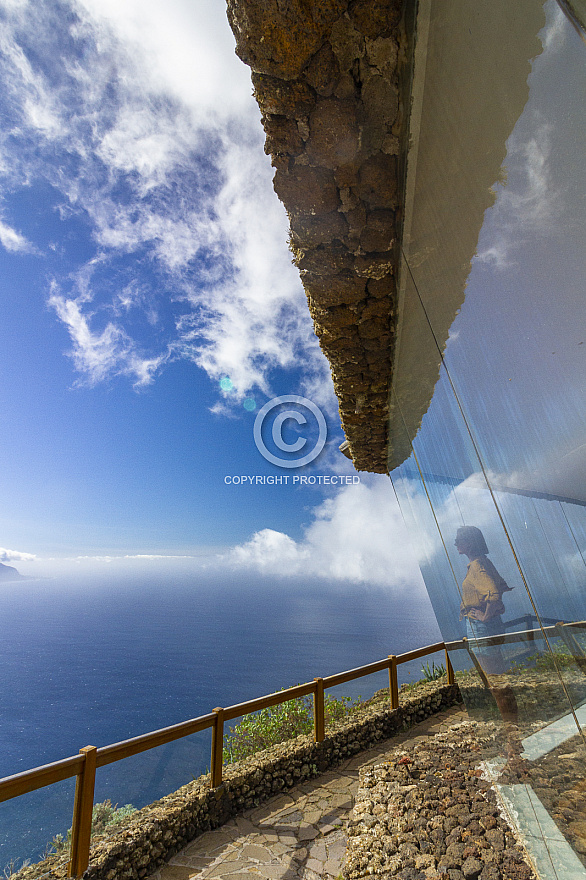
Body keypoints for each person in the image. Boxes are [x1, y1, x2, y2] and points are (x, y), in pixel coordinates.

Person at [456, 525, 520, 753]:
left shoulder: (477, 565)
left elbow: (493, 591)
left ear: (469, 543)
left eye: (459, 541)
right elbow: (500, 588)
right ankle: (512, 729)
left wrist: (484, 615)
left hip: (482, 630)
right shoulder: (483, 562)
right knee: (498, 680)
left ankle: (513, 735)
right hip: (489, 628)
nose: (455, 545)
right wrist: (491, 612)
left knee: (496, 683)